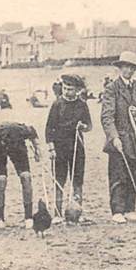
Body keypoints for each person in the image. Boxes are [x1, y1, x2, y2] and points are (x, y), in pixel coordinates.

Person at [100, 51, 136, 224]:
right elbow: (107, 116)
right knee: (118, 174)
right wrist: (114, 137)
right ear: (120, 68)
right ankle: (117, 210)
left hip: (134, 137)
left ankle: (130, 208)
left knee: (133, 173)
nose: (128, 70)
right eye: (125, 66)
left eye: (132, 67)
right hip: (119, 137)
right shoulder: (111, 88)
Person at [45, 75, 92, 216]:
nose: (66, 92)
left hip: (77, 147)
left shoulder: (82, 104)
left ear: (77, 90)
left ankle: (77, 212)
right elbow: (49, 128)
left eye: (70, 89)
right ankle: (58, 213)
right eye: (65, 88)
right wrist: (51, 148)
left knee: (77, 181)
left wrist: (83, 126)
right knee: (59, 180)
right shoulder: (57, 104)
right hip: (59, 148)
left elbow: (89, 125)